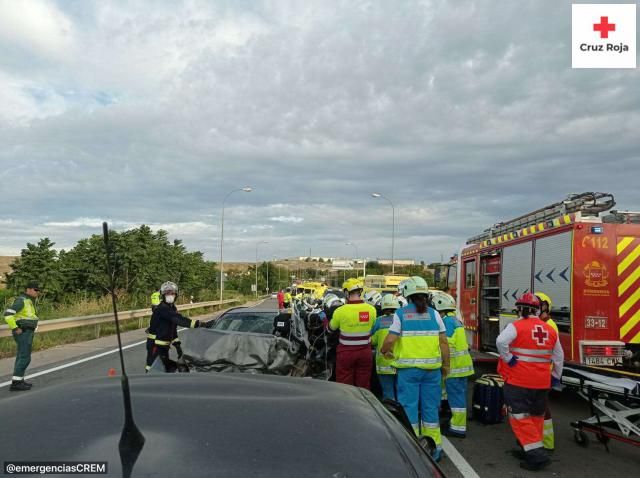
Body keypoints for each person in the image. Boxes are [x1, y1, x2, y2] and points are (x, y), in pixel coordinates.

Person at [381, 277, 450, 462]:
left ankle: (413, 449)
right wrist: (446, 365)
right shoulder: (435, 314)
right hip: (432, 372)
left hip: (408, 372)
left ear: (407, 294)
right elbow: (443, 342)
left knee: (409, 409)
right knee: (430, 410)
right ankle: (435, 449)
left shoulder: (401, 314)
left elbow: (390, 340)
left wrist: (384, 351)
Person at [496, 292, 563, 471]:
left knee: (519, 418)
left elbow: (500, 341)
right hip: (542, 383)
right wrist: (556, 376)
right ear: (537, 309)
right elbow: (559, 356)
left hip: (519, 381)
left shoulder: (516, 326)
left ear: (519, 309)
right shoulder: (549, 329)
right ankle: (529, 449)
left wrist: (508, 358)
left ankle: (536, 455)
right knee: (536, 417)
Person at [430, 290, 474, 438]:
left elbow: (444, 344)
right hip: (463, 366)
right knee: (459, 396)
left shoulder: (446, 323)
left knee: (456, 398)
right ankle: (454, 421)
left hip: (455, 367)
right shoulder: (455, 320)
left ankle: (458, 428)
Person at [327, 278, 377, 389]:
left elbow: (330, 329)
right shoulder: (371, 309)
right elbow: (372, 327)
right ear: (360, 291)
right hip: (365, 352)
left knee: (345, 386)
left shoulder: (340, 311)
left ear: (346, 292)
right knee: (363, 385)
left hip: (346, 353)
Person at [149, 281, 206, 372]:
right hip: (155, 345)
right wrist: (198, 324)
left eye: (172, 293)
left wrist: (177, 346)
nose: (170, 295)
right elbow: (178, 319)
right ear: (162, 295)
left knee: (166, 369)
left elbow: (172, 328)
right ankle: (149, 383)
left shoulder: (172, 308)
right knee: (154, 368)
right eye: (167, 293)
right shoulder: (162, 308)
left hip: (164, 346)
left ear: (176, 295)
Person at [3, 281, 41, 391]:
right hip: (23, 332)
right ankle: (16, 384)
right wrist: (15, 328)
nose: (37, 292)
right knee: (25, 357)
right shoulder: (22, 301)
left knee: (21, 356)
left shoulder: (28, 301)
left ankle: (18, 380)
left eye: (38, 290)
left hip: (27, 332)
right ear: (28, 289)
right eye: (35, 290)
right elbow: (8, 314)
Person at [534, 291, 559, 452]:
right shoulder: (539, 323)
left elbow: (557, 355)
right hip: (537, 373)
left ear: (545, 307)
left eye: (538, 305)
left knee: (542, 408)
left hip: (544, 373)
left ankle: (547, 443)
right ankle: (537, 440)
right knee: (536, 408)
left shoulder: (548, 326)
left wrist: (555, 375)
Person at [371, 294, 400, 400]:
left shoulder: (379, 321)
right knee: (401, 391)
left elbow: (372, 341)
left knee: (388, 393)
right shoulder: (401, 320)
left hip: (383, 363)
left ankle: (390, 414)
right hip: (399, 363)